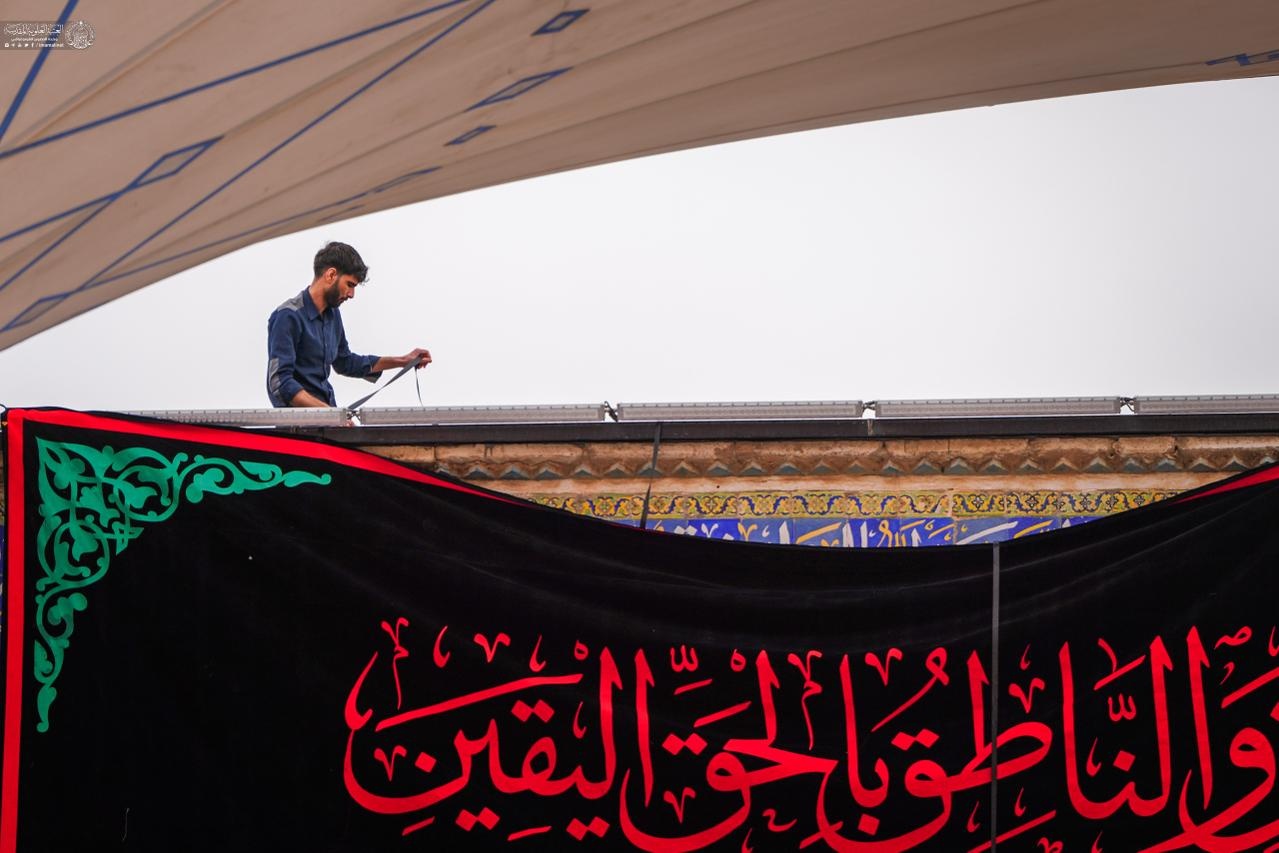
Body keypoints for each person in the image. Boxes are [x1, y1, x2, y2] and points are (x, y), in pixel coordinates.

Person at [266, 242, 431, 408]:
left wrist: (404, 360)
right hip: (299, 422)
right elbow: (280, 383)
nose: (352, 294)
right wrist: (330, 415)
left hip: (328, 415)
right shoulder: (287, 316)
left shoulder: (333, 315)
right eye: (350, 285)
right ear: (331, 275)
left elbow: (345, 363)